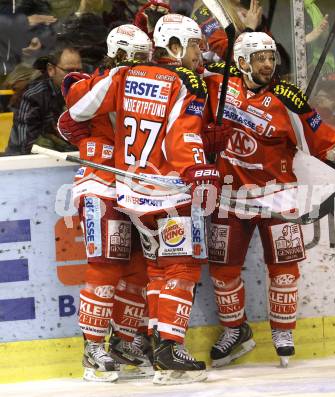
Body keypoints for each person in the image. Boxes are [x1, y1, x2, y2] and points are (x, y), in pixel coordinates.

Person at [63, 14, 218, 385]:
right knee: (173, 267)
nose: (133, 59)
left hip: (129, 191)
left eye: (140, 53)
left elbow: (72, 117)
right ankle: (149, 349)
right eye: (194, 44)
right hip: (151, 188)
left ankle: (134, 344)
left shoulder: (124, 77)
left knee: (141, 269)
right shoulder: (174, 80)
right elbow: (182, 136)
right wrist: (197, 168)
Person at [202, 32, 335, 368]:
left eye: (270, 58)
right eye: (260, 58)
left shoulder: (288, 98)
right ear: (242, 62)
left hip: (277, 197)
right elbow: (195, 60)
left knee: (284, 271)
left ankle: (283, 332)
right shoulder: (217, 84)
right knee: (223, 270)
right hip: (228, 196)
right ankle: (236, 331)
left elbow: (321, 140)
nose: (267, 64)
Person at [58, 24, 155, 382]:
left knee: (141, 268)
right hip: (100, 185)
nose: (142, 63)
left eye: (146, 57)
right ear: (117, 54)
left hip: (139, 186)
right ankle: (93, 347)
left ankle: (124, 341)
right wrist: (117, 75)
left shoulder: (150, 86)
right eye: (135, 57)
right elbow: (73, 114)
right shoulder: (84, 80)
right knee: (106, 265)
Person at [5, 45, 81, 155]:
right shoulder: (33, 96)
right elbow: (24, 145)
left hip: (71, 158)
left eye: (78, 70)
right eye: (69, 70)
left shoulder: (86, 91)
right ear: (51, 70)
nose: (75, 76)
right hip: (28, 162)